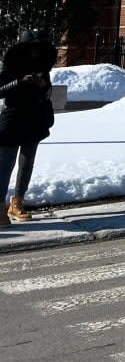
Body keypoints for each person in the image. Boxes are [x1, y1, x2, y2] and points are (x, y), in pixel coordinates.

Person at [0, 30, 56, 225]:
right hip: (12, 119)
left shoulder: (43, 65)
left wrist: (41, 84)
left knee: (27, 163)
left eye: (37, 48)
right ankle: (0, 206)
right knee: (5, 164)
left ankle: (17, 202)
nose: (34, 52)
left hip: (35, 119)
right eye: (30, 48)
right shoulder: (9, 66)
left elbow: (48, 92)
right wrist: (19, 82)